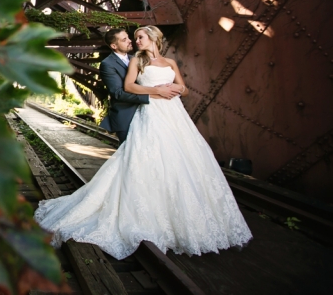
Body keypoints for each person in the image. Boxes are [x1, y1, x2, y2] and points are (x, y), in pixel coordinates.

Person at [34, 26, 252, 259]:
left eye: (139, 37)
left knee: (181, 160)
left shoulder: (169, 62)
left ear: (154, 38)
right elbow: (126, 88)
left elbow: (185, 89)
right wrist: (157, 91)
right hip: (151, 112)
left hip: (175, 116)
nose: (135, 40)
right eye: (132, 37)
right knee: (145, 159)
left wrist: (178, 88)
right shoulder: (136, 61)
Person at [98, 28, 180, 144]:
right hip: (126, 116)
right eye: (124, 39)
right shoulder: (107, 64)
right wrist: (152, 95)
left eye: (128, 37)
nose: (130, 41)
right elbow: (118, 93)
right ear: (114, 46)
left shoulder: (136, 59)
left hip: (150, 113)